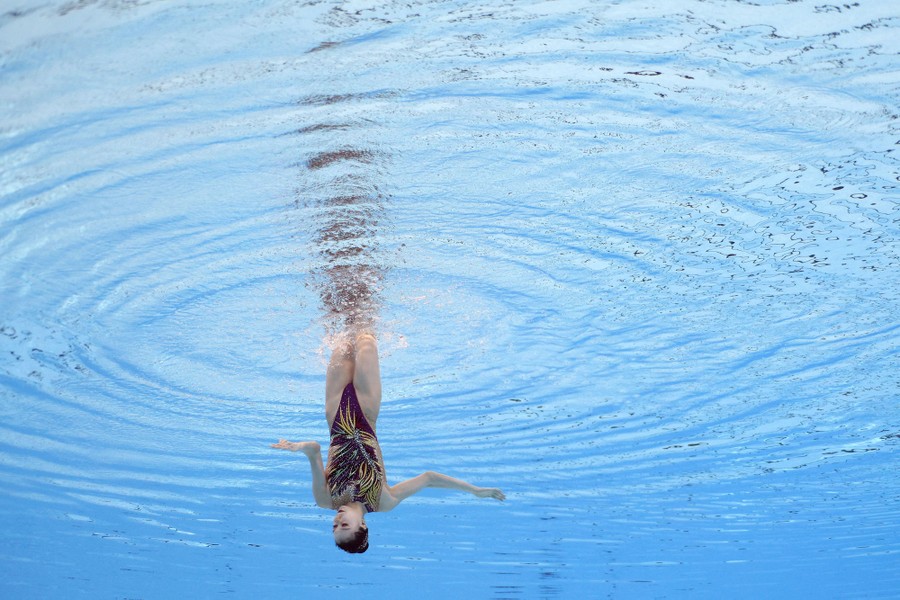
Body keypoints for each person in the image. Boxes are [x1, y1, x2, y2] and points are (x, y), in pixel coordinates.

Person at [273, 331, 505, 554]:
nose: (337, 520)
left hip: (336, 413)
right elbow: (428, 479)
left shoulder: (325, 500)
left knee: (342, 336)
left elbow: (314, 450)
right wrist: (474, 490)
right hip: (367, 411)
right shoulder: (383, 502)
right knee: (365, 339)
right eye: (345, 526)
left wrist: (298, 447)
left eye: (334, 527)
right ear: (363, 526)